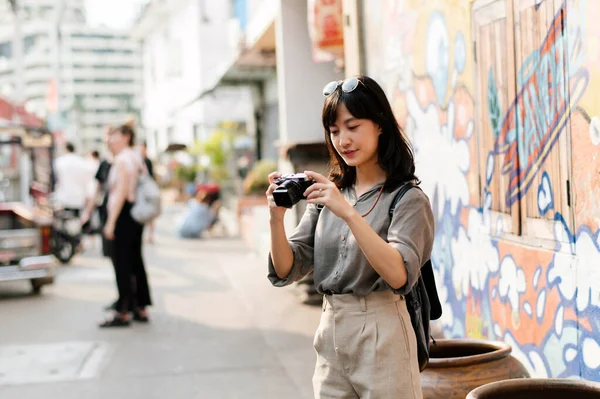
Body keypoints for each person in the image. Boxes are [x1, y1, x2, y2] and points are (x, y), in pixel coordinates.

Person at [266, 76, 434, 398]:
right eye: (334, 131)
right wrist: (276, 219)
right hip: (331, 329)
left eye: (353, 127)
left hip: (382, 329)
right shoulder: (330, 194)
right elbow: (288, 269)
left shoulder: (408, 199)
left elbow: (399, 274)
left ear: (380, 124)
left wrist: (347, 212)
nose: (343, 140)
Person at [100, 122, 152, 328]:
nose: (109, 139)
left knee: (122, 263)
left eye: (114, 134)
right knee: (135, 261)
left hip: (123, 215)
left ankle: (123, 311)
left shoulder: (122, 160)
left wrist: (111, 223)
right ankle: (140, 306)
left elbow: (121, 191)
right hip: (135, 215)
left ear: (126, 136)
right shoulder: (136, 156)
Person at [53, 142, 93, 216]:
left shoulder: (59, 162)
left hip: (63, 199)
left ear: (65, 149)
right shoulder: (82, 162)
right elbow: (87, 182)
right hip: (79, 199)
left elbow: (56, 180)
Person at [139, 141, 155, 243]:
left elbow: (151, 176)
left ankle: (150, 235)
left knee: (150, 214)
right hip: (140, 191)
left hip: (148, 191)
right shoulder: (137, 160)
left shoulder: (148, 161)